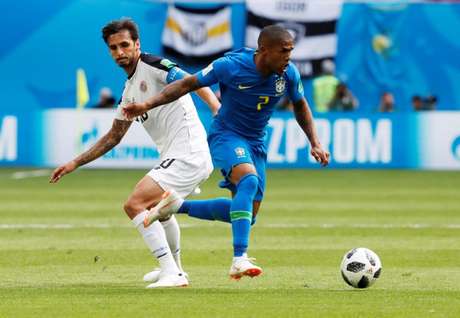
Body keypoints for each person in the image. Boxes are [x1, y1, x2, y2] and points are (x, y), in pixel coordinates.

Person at [122, 25, 330, 280]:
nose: (289, 56)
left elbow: (300, 105)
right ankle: (239, 259)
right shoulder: (230, 66)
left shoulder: (288, 73)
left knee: (246, 216)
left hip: (256, 143)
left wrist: (315, 142)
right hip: (226, 136)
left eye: (291, 51)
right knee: (249, 180)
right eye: (283, 51)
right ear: (263, 50)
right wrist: (147, 103)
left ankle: (176, 206)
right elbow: (187, 84)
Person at [49, 18, 220, 288]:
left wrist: (215, 108)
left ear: (137, 45)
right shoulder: (128, 92)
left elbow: (192, 81)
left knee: (134, 205)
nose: (120, 52)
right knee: (159, 211)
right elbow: (113, 137)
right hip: (178, 156)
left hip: (189, 153)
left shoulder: (152, 65)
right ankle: (176, 269)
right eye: (114, 47)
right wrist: (74, 163)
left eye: (125, 45)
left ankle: (170, 272)